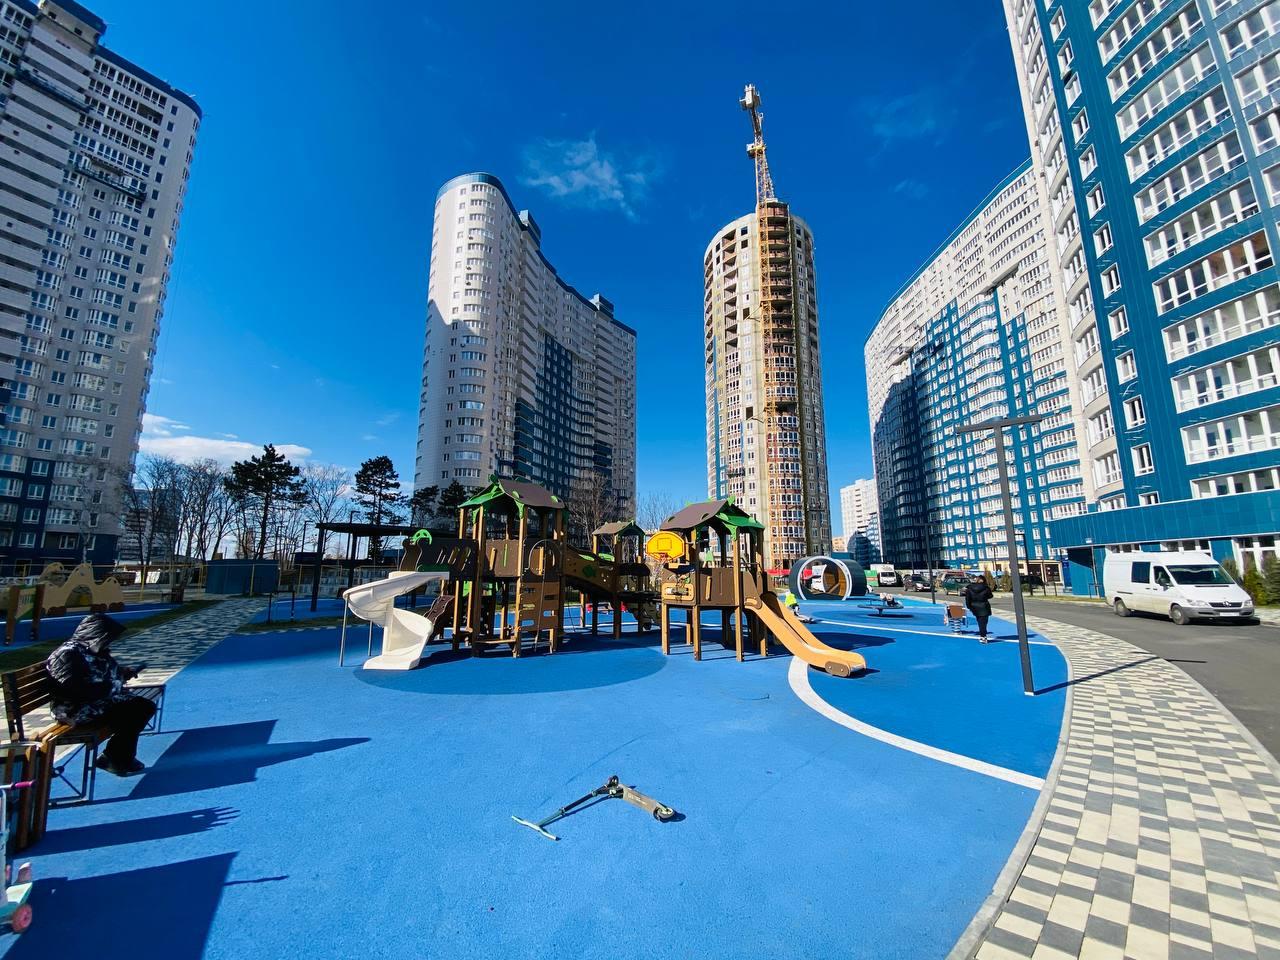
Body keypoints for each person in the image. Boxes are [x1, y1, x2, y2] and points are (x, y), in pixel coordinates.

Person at [46, 613, 154, 776]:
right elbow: (72, 688)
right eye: (106, 638)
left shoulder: (91, 651)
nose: (108, 642)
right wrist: (112, 687)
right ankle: (115, 758)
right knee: (137, 710)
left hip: (95, 703)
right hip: (74, 710)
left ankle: (116, 757)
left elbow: (102, 674)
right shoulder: (68, 654)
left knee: (142, 707)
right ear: (95, 635)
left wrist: (122, 673)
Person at [961, 577, 994, 642]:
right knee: (983, 622)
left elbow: (967, 598)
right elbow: (990, 596)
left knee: (980, 621)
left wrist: (969, 606)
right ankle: (983, 636)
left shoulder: (970, 588)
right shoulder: (986, 587)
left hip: (974, 606)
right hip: (984, 606)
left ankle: (982, 636)